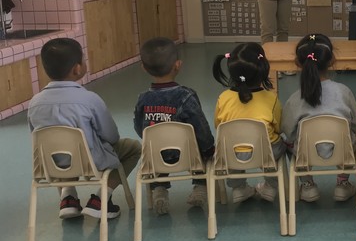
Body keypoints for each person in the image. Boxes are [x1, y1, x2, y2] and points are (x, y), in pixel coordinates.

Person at [28, 38, 141, 220]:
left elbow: (36, 137)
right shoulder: (89, 99)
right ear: (77, 68)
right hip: (90, 163)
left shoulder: (34, 103)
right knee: (133, 148)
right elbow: (111, 136)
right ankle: (101, 198)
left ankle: (68, 198)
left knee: (59, 150)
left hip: (52, 164)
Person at [133, 37, 215, 214]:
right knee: (201, 149)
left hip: (157, 155)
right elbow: (200, 127)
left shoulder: (143, 99)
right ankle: (200, 186)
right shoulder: (186, 96)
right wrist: (209, 148)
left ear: (143, 68)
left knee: (153, 152)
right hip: (188, 155)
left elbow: (139, 128)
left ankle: (159, 190)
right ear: (178, 65)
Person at [281, 33, 356, 202]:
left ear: (298, 63)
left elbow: (288, 131)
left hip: (306, 152)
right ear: (332, 60)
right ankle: (342, 183)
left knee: (287, 142)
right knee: (353, 138)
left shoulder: (295, 98)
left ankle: (307, 184)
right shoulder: (344, 91)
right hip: (342, 150)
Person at [212, 42, 286, 203]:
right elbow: (279, 127)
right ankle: (270, 186)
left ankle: (238, 188)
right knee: (278, 144)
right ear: (263, 69)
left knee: (227, 147)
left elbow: (218, 126)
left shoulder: (223, 98)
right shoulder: (271, 98)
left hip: (231, 153)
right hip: (265, 152)